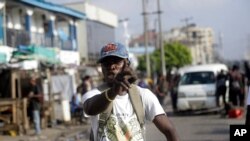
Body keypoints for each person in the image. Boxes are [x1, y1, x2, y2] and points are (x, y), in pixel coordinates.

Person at [82, 42, 180, 141]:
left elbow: (169, 130)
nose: (112, 67)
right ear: (102, 68)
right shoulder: (93, 94)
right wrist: (115, 90)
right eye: (106, 64)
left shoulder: (143, 95)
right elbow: (90, 109)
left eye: (117, 62)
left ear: (127, 64)